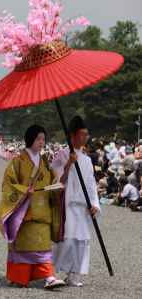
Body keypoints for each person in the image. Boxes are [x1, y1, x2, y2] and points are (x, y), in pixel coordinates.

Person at [0, 124, 65, 289]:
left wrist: (56, 187)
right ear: (30, 139)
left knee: (43, 247)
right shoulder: (18, 161)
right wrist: (24, 191)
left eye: (43, 139)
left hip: (42, 211)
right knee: (24, 249)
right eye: (39, 138)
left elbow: (51, 181)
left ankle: (49, 276)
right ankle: (20, 277)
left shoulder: (45, 162)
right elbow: (8, 184)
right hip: (24, 213)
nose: (42, 142)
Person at [51, 116, 100, 287]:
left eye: (87, 134)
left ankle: (74, 274)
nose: (85, 137)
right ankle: (52, 272)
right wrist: (68, 165)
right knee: (67, 239)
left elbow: (91, 185)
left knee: (82, 241)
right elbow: (57, 182)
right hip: (67, 205)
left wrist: (95, 204)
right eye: (82, 134)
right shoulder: (62, 155)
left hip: (83, 207)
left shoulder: (86, 160)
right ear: (72, 135)